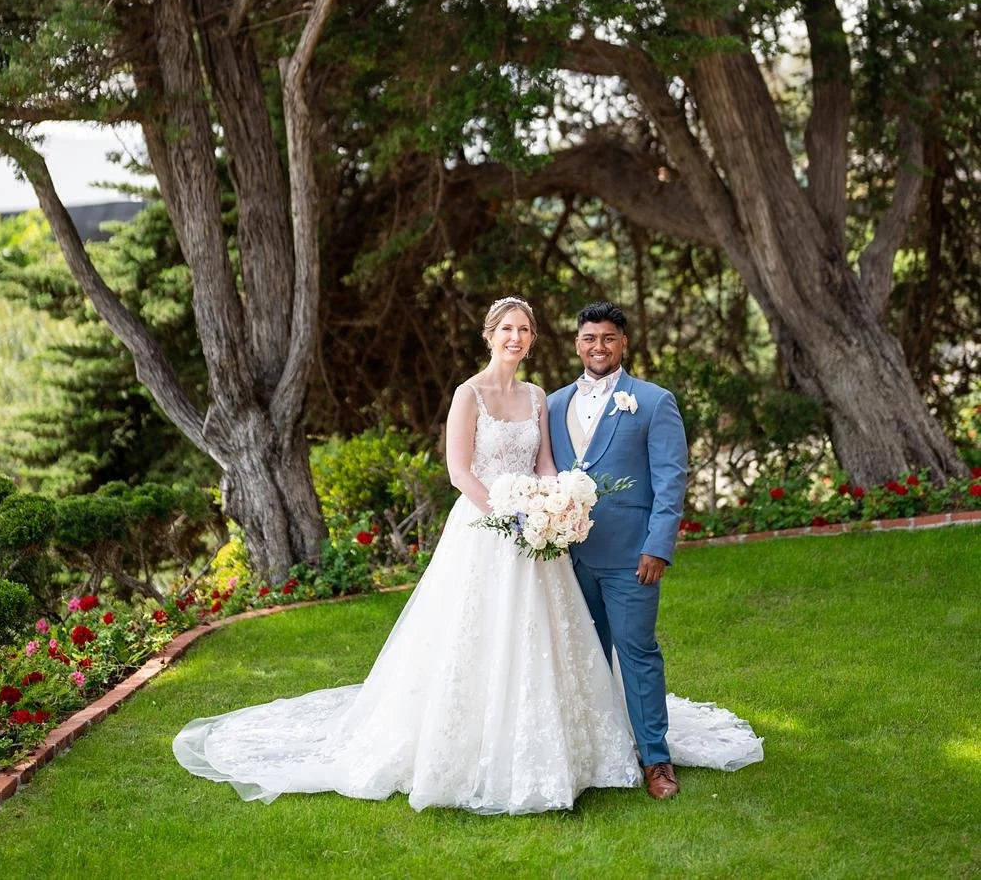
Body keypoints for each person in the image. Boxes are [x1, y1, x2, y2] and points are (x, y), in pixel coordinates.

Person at [173, 296, 761, 815]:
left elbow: (555, 466)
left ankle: (637, 756)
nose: (515, 338)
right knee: (480, 641)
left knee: (583, 648)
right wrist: (510, 512)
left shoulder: (549, 399)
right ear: (490, 334)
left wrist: (554, 502)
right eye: (506, 329)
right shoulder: (478, 394)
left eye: (524, 330)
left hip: (554, 538)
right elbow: (459, 470)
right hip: (487, 531)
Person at [547, 300, 691, 799]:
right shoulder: (553, 404)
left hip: (632, 558)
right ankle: (588, 753)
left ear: (623, 343)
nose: (598, 347)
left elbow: (671, 481)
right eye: (589, 338)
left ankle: (656, 760)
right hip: (566, 557)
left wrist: (658, 547)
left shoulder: (652, 401)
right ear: (577, 343)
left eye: (608, 338)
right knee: (577, 656)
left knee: (637, 654)